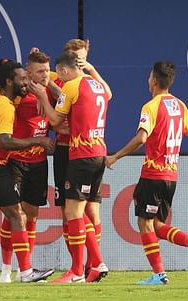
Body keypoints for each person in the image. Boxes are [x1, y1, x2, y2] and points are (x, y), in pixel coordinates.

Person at [105, 61, 188, 285]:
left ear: (153, 81)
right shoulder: (179, 105)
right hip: (171, 176)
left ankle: (159, 275)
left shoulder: (151, 106)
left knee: (145, 223)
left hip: (153, 174)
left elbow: (142, 138)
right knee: (156, 225)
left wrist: (115, 156)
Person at [0, 59, 55, 284]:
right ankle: (25, 272)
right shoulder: (5, 104)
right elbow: (5, 142)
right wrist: (38, 140)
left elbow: (2, 66)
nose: (26, 82)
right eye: (22, 79)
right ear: (9, 81)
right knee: (17, 215)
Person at [28, 51, 110, 283]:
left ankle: (76, 272)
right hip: (98, 153)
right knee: (81, 212)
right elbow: (107, 95)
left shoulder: (72, 87)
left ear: (63, 71)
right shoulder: (97, 85)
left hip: (81, 155)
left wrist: (43, 97)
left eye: (58, 73)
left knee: (72, 212)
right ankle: (96, 263)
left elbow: (54, 120)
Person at [0, 51, 56, 283]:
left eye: (47, 71)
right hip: (15, 161)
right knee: (14, 214)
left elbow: (60, 118)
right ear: (28, 73)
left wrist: (44, 96)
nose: (45, 75)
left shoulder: (51, 90)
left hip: (39, 163)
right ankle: (5, 270)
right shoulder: (18, 95)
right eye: (40, 72)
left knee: (31, 214)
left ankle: (27, 268)